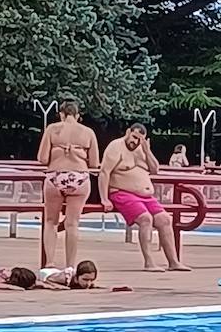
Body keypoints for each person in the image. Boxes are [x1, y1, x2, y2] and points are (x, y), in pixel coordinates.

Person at [100, 124, 192, 272]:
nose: (135, 142)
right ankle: (149, 262)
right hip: (122, 192)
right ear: (128, 132)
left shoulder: (142, 150)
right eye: (134, 137)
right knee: (146, 218)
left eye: (140, 140)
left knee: (164, 219)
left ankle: (174, 262)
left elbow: (155, 170)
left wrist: (147, 150)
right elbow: (104, 173)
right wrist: (104, 198)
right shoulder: (116, 146)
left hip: (146, 196)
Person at [36, 100, 99, 269]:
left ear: (61, 114)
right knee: (72, 223)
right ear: (78, 116)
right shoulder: (88, 132)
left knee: (51, 221)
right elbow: (94, 163)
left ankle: (49, 263)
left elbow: (42, 158)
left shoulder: (52, 129)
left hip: (56, 176)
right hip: (79, 177)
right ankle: (70, 265)